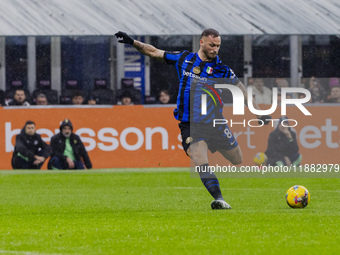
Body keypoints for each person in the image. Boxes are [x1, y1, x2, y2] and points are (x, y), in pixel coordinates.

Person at [115, 29, 271, 210]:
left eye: (218, 46)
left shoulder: (223, 70)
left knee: (237, 159)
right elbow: (154, 52)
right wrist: (132, 42)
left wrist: (258, 113)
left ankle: (219, 190)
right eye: (212, 45)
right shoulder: (184, 59)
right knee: (198, 157)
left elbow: (242, 92)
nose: (215, 49)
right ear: (202, 43)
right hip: (190, 124)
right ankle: (219, 199)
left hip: (214, 123)